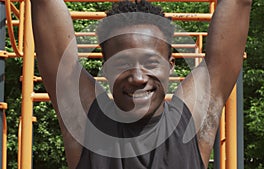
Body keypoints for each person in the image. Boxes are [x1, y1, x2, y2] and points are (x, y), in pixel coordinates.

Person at [30, 0, 252, 168]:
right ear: (106, 69)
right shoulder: (88, 123)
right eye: (123, 63)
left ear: (170, 65)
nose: (137, 77)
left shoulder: (190, 124)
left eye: (150, 63)